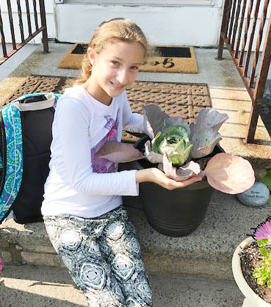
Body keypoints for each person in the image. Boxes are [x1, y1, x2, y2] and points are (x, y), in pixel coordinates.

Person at [42, 18, 202, 307]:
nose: (124, 76)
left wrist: (170, 129)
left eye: (133, 67)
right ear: (92, 57)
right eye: (115, 63)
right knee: (109, 302)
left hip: (110, 211)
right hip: (67, 215)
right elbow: (81, 182)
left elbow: (128, 120)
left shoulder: (116, 92)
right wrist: (147, 176)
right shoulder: (73, 108)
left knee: (141, 300)